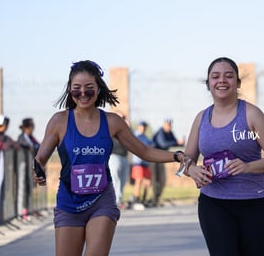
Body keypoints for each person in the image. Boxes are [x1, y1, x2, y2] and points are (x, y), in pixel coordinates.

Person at [33, 60, 187, 256]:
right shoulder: (59, 121)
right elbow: (41, 156)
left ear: (99, 89)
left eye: (89, 88)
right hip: (69, 202)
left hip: (101, 201)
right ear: (69, 90)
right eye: (76, 89)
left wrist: (175, 156)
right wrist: (38, 169)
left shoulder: (112, 122)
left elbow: (144, 151)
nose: (83, 94)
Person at [182, 57, 264, 256]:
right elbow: (186, 160)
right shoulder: (201, 118)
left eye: (229, 76)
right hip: (214, 204)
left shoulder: (251, 114)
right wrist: (192, 169)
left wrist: (248, 167)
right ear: (208, 84)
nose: (222, 80)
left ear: (237, 83)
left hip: (254, 205)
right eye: (215, 76)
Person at [151, 118, 184, 206]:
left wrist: (180, 143)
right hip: (154, 158)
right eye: (168, 125)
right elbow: (163, 144)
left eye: (170, 125)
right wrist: (175, 142)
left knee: (162, 180)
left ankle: (156, 198)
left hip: (161, 159)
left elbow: (174, 142)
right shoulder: (160, 132)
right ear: (164, 124)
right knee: (155, 180)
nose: (169, 127)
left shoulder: (170, 133)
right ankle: (154, 200)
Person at [108, 112, 130, 209]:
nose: (122, 120)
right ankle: (115, 201)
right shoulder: (111, 128)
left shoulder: (126, 130)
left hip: (124, 156)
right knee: (115, 179)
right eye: (120, 118)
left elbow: (132, 138)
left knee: (123, 180)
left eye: (123, 118)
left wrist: (127, 124)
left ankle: (119, 199)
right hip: (114, 156)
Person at [130, 121, 154, 209]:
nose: (143, 128)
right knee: (139, 181)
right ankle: (136, 199)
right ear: (139, 127)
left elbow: (151, 145)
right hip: (138, 162)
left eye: (144, 127)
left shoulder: (146, 137)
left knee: (148, 181)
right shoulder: (136, 136)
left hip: (146, 163)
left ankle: (144, 200)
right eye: (142, 126)